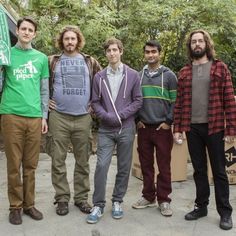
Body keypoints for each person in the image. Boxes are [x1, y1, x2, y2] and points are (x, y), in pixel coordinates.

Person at [173, 29, 236, 230]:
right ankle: (201, 207)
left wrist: (232, 129)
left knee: (219, 171)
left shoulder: (220, 68)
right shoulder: (184, 72)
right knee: (199, 170)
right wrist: (177, 127)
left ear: (206, 43)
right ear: (190, 46)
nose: (197, 44)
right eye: (194, 42)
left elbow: (229, 99)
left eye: (200, 41)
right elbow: (180, 103)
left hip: (215, 126)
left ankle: (225, 212)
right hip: (192, 129)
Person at [46, 25, 101, 216]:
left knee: (83, 160)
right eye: (66, 38)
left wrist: (95, 104)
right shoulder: (52, 61)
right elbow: (40, 83)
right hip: (58, 117)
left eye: (73, 38)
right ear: (62, 41)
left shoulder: (89, 61)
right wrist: (45, 103)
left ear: (78, 40)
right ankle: (61, 199)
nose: (70, 42)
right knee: (57, 160)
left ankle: (81, 199)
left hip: (83, 117)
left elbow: (101, 84)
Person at [86, 38, 142, 224]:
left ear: (121, 51)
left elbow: (138, 100)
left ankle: (117, 201)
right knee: (102, 165)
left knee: (124, 167)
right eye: (109, 50)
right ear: (106, 54)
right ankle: (98, 204)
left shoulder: (133, 75)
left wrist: (121, 115)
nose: (112, 53)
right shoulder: (99, 77)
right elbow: (95, 101)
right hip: (106, 130)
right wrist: (107, 116)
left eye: (115, 50)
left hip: (126, 128)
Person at [0, 17, 49, 225]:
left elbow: (44, 89)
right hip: (11, 114)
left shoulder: (41, 58)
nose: (27, 32)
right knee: (13, 164)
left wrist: (44, 116)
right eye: (23, 29)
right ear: (17, 31)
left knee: (30, 165)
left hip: (34, 117)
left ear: (34, 34)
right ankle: (15, 207)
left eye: (30, 30)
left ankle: (29, 205)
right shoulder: (6, 54)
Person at [132, 40, 177, 216]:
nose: (151, 55)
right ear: (144, 54)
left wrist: (168, 122)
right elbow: (133, 99)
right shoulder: (138, 76)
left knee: (164, 165)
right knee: (146, 165)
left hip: (162, 128)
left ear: (160, 53)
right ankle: (148, 196)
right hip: (144, 127)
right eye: (148, 52)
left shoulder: (170, 76)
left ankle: (164, 199)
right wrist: (137, 120)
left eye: (154, 52)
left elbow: (176, 102)